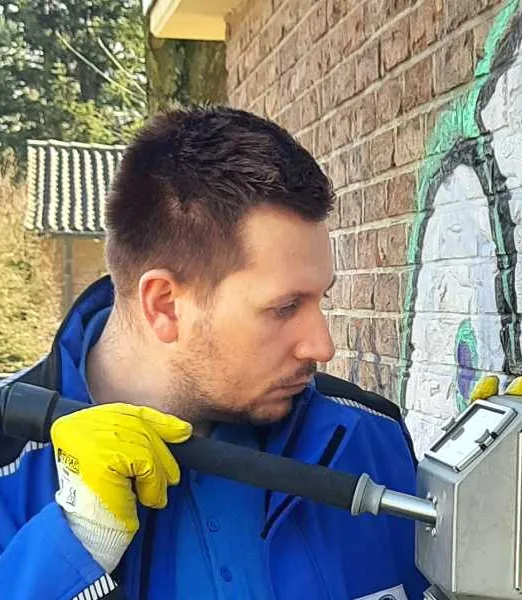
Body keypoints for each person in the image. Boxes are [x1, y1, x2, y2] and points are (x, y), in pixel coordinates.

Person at [0, 106, 429, 600]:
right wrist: (75, 543)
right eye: (285, 307)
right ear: (165, 304)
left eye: (319, 299)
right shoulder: (10, 464)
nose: (323, 346)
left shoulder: (364, 438)